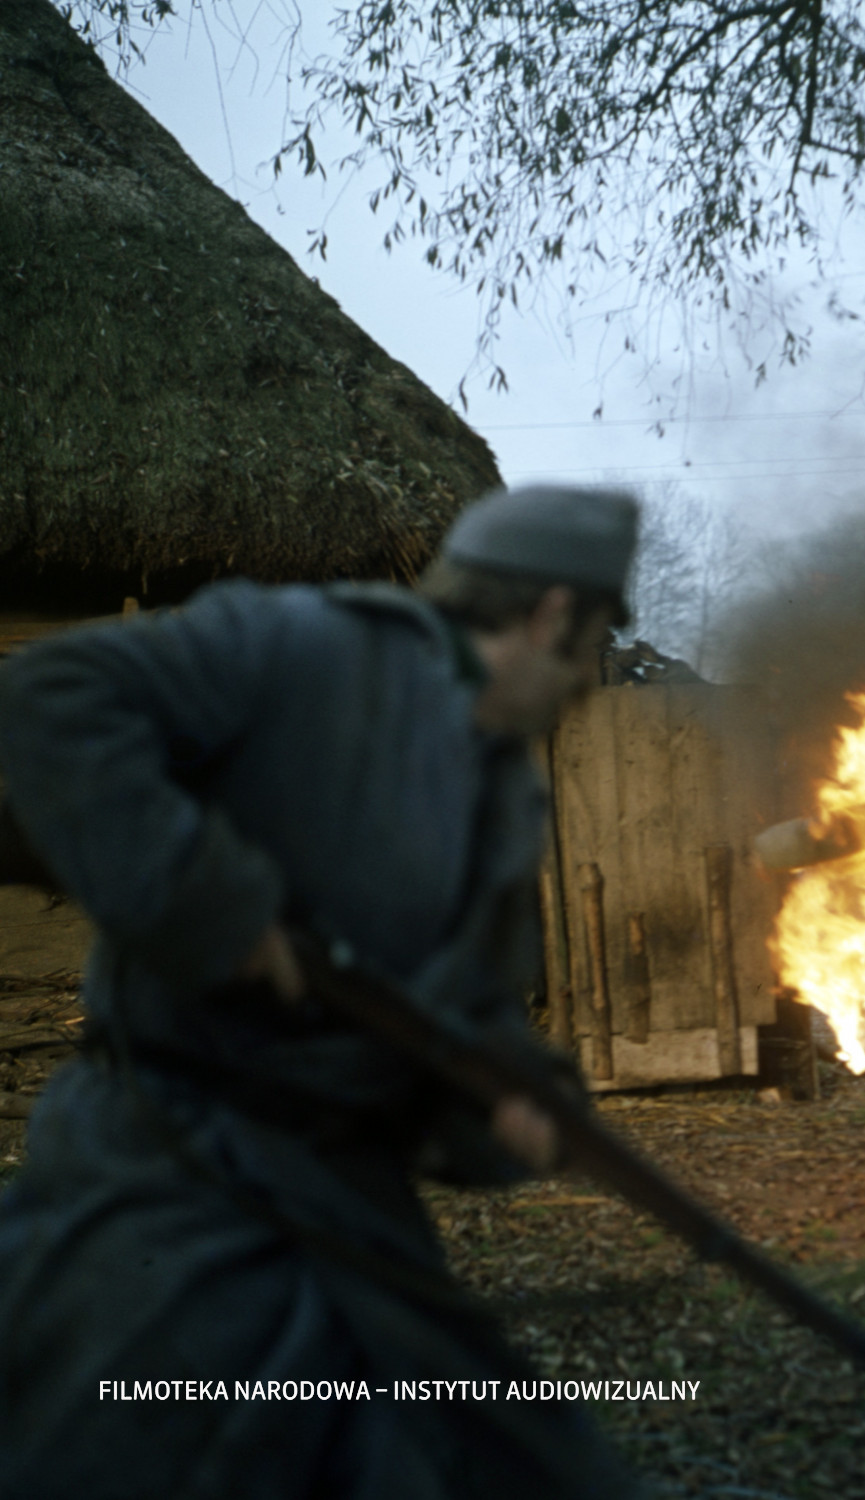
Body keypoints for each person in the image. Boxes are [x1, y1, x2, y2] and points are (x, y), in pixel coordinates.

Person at [0, 485, 644, 1498]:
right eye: (594, 643)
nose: (586, 684)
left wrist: (512, 1099)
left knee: (523, 1463)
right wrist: (214, 903)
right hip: (167, 1161)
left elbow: (461, 1023)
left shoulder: (507, 800)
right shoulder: (298, 642)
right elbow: (50, 696)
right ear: (553, 615)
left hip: (347, 1197)